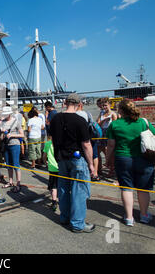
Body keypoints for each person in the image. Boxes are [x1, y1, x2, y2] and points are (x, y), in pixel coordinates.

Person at [106, 99, 155, 225]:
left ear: (121, 110)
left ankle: (129, 217)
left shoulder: (115, 124)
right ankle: (144, 215)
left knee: (126, 187)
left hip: (123, 158)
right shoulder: (143, 122)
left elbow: (111, 145)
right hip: (144, 158)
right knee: (143, 188)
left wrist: (108, 159)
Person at [50, 93, 95, 233]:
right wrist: (91, 164)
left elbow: (53, 139)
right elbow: (86, 144)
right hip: (77, 158)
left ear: (65, 103)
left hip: (62, 158)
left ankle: (65, 217)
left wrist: (57, 156)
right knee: (79, 191)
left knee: (63, 188)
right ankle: (77, 223)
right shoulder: (80, 120)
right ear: (78, 104)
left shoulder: (55, 119)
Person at [0, 106, 24, 193]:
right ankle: (10, 182)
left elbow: (22, 135)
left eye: (6, 114)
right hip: (6, 145)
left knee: (16, 165)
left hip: (14, 145)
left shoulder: (15, 121)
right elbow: (1, 137)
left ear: (10, 113)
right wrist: (2, 133)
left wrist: (12, 135)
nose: (5, 116)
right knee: (9, 165)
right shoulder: (2, 122)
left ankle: (18, 184)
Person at [76, 101, 100, 182]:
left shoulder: (76, 114)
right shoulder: (87, 113)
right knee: (95, 155)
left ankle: (87, 173)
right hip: (91, 136)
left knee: (84, 156)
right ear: (81, 105)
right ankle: (95, 173)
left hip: (82, 138)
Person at [97, 98, 118, 177]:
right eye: (103, 105)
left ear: (109, 105)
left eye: (105, 105)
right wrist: (104, 120)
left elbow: (115, 126)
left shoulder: (113, 114)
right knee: (99, 150)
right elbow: (98, 123)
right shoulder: (102, 113)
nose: (104, 107)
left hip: (108, 133)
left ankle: (111, 169)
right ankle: (100, 169)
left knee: (108, 152)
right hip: (101, 133)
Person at [43, 135, 59, 211]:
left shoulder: (47, 144)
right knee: (60, 184)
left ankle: (54, 201)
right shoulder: (60, 143)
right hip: (60, 167)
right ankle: (59, 199)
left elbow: (44, 156)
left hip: (52, 168)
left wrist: (45, 161)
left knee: (53, 186)